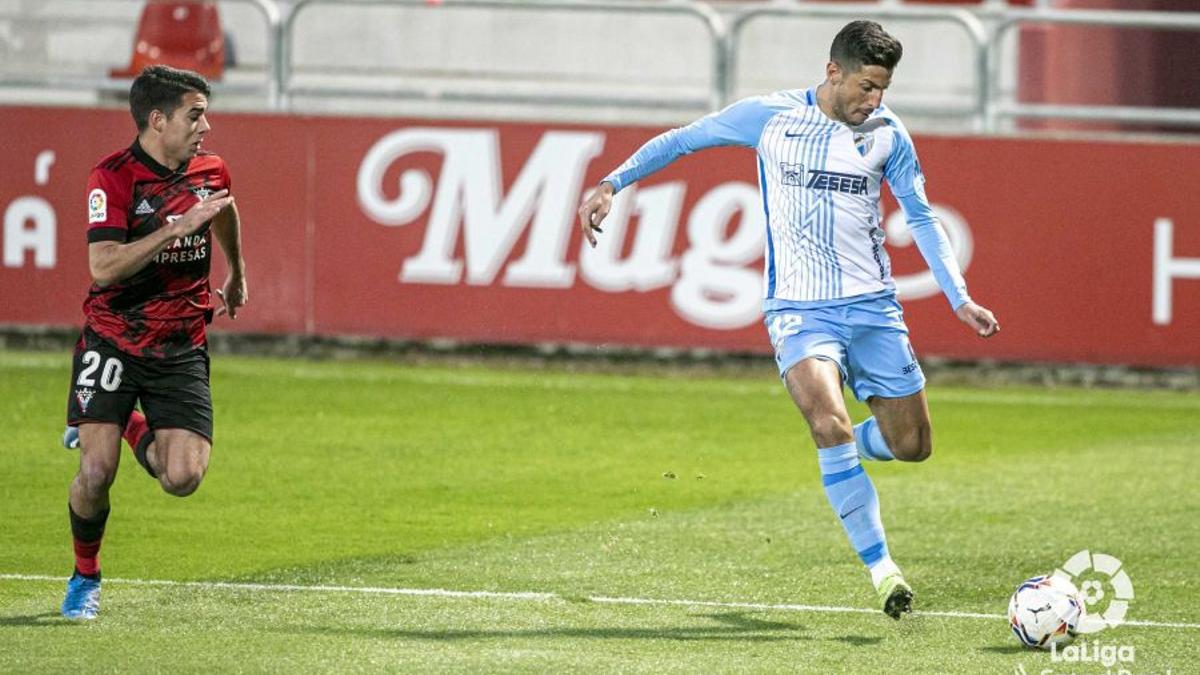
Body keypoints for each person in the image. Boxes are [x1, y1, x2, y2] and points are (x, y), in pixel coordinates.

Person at [577, 20, 999, 619]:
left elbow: (922, 217)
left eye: (882, 89)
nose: (874, 100)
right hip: (800, 310)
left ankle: (851, 451)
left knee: (913, 446)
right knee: (826, 422)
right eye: (866, 86)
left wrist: (958, 298)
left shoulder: (888, 135)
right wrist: (611, 183)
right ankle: (884, 571)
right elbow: (683, 139)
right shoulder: (770, 116)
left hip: (875, 309)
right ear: (834, 72)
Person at [59, 64, 245, 620]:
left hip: (180, 344)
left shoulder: (211, 170)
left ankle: (129, 422)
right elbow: (104, 265)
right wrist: (172, 229)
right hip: (112, 340)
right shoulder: (112, 178)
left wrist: (236, 270)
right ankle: (84, 577)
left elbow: (225, 207)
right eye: (195, 115)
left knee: (182, 478)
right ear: (157, 119)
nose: (205, 126)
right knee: (96, 472)